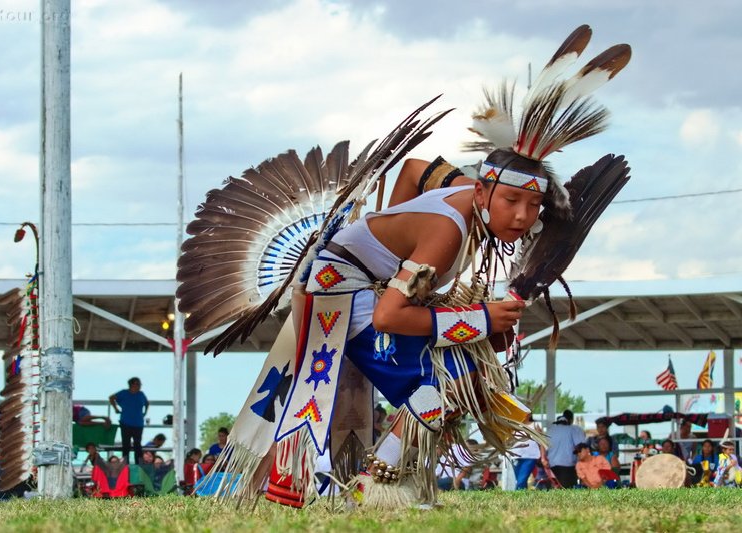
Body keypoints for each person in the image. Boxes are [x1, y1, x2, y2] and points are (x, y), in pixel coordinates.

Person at [184, 26, 632, 509]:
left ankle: (371, 481)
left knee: (462, 372)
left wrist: (390, 249)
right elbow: (387, 318)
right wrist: (479, 318)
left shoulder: (465, 186)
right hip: (335, 291)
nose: (522, 217)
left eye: (532, 205)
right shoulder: (447, 236)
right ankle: (380, 486)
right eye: (510, 201)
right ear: (484, 192)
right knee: (437, 390)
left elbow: (414, 168)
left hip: (350, 280)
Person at [109, 377, 149, 464]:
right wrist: (116, 408)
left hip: (138, 423)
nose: (139, 386)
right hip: (126, 423)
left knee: (137, 446)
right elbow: (111, 398)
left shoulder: (141, 394)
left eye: (139, 384)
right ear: (132, 385)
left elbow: (147, 403)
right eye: (137, 384)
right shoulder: (123, 393)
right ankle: (125, 466)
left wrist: (144, 413)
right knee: (126, 445)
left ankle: (139, 466)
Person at [547, 410, 587, 488]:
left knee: (554, 490)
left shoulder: (550, 431)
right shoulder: (573, 429)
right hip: (568, 466)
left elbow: (543, 447)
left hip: (552, 465)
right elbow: (580, 446)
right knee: (568, 490)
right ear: (571, 420)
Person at [511, 413, 544, 490]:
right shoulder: (514, 425)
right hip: (516, 456)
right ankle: (524, 498)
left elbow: (542, 442)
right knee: (520, 480)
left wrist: (543, 456)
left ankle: (517, 498)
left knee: (521, 480)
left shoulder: (535, 425)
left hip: (531, 456)